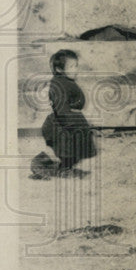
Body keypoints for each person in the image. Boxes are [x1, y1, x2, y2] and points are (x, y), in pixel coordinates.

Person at [34, 49, 97, 178]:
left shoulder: (66, 81)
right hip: (62, 124)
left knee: (74, 149)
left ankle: (64, 168)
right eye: (71, 66)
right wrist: (72, 124)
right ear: (59, 69)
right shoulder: (59, 85)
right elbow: (61, 107)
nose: (75, 69)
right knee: (64, 149)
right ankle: (39, 164)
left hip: (71, 120)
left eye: (76, 65)